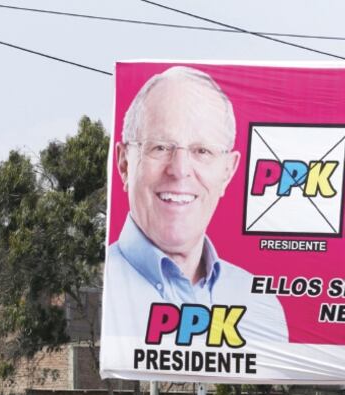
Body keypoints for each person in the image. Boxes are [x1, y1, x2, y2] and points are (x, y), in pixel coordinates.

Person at [104, 66, 287, 343]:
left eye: (202, 151)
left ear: (228, 171)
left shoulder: (260, 306)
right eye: (160, 147)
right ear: (124, 163)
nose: (179, 170)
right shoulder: (98, 288)